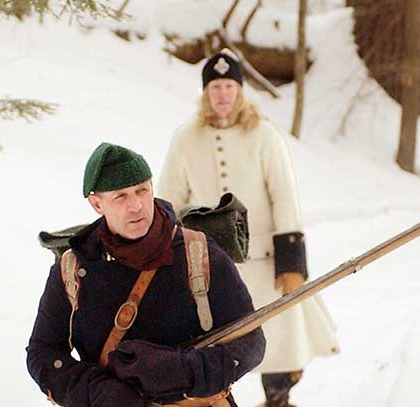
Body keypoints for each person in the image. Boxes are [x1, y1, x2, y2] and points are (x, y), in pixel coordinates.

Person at [158, 50, 339, 407]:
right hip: (209, 264)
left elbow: (284, 197)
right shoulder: (185, 139)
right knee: (218, 345)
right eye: (215, 87)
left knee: (279, 344)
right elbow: (169, 202)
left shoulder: (264, 135)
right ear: (205, 93)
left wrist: (291, 264)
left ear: (240, 91)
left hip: (264, 262)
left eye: (229, 86)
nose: (222, 94)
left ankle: (277, 401)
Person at [26, 142, 265, 407]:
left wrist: (180, 370)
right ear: (96, 204)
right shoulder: (73, 269)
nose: (136, 205)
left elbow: (251, 343)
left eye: (142, 190)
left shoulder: (198, 254)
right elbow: (43, 352)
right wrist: (99, 392)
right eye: (121, 196)